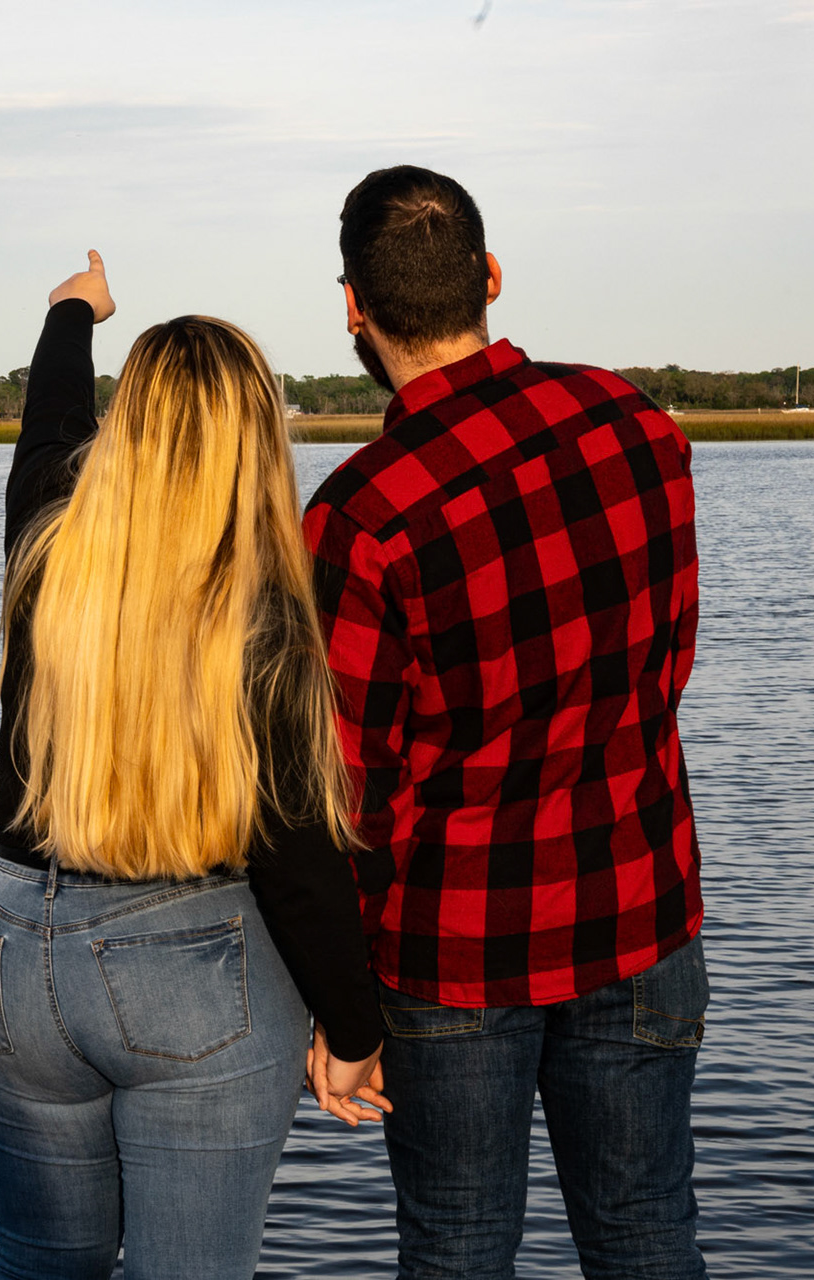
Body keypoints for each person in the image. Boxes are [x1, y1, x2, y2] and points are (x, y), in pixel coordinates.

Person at [303, 166, 711, 1279]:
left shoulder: (363, 512)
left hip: (453, 955)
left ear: (353, 305)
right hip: (641, 907)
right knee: (647, 1234)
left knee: (459, 1249)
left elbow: (352, 795)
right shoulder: (638, 425)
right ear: (489, 276)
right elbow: (669, 661)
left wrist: (341, 1011)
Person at [0, 251, 390, 1280]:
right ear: (256, 440)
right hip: (189, 962)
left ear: (128, 426)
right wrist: (355, 1024)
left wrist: (73, 308)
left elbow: (51, 418)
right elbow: (294, 853)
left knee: (39, 1262)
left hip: (13, 940)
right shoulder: (267, 612)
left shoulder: (47, 546)